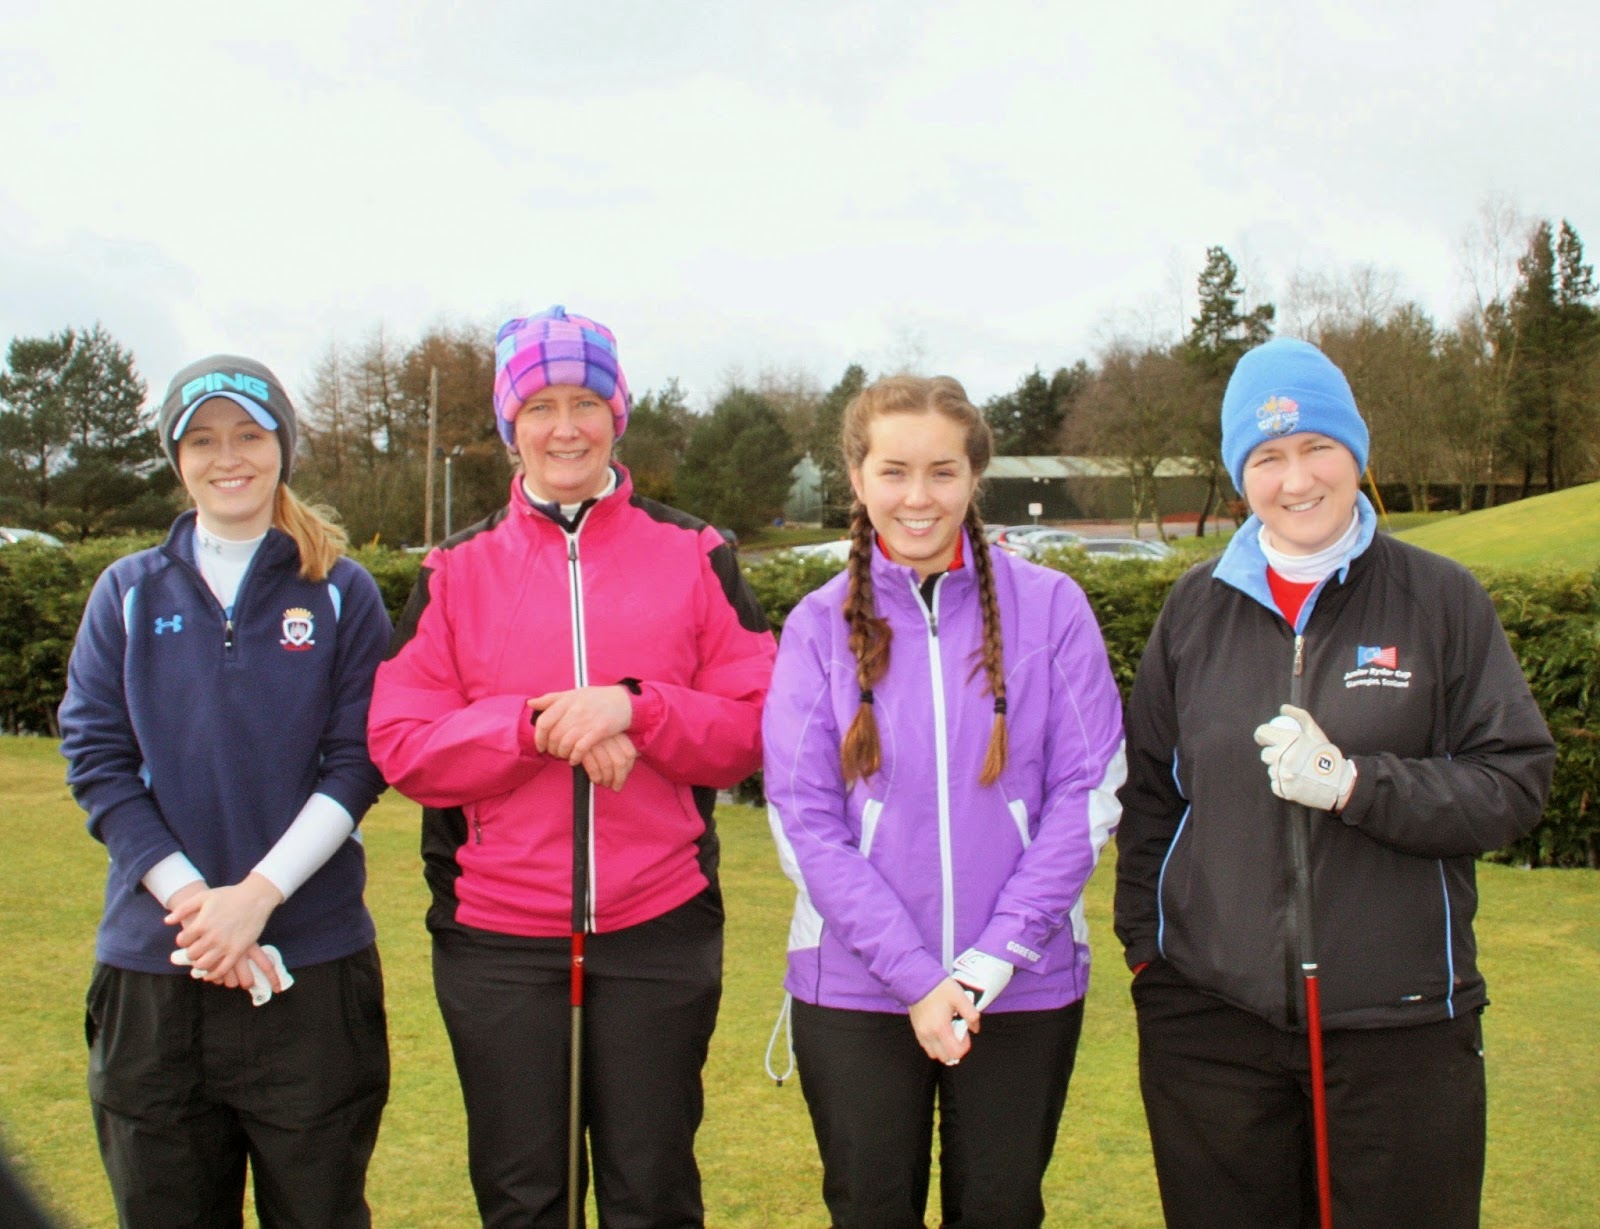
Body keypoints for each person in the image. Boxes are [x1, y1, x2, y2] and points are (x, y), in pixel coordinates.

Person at [1114, 337, 1556, 1229]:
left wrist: (1356, 784)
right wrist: (1150, 959)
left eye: (1317, 446)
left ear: (1356, 452)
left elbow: (1514, 779)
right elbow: (1151, 797)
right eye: (1268, 457)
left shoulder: (1440, 598)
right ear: (1243, 476)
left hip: (1401, 1027)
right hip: (1213, 1025)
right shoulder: (1194, 610)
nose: (1297, 478)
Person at [367, 306, 776, 1227]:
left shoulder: (696, 551)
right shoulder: (454, 568)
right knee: (525, 1198)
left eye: (586, 401)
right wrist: (536, 724)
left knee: (654, 1190)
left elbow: (760, 724)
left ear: (617, 414)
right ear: (510, 424)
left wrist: (638, 706)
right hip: (500, 939)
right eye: (540, 404)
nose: (565, 427)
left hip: (658, 929)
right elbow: (401, 742)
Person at [763, 374, 1126, 1228]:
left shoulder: (1052, 608)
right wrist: (920, 980)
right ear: (857, 478)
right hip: (857, 991)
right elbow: (804, 821)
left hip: (1021, 987)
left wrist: (992, 958)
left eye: (942, 472)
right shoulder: (818, 625)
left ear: (974, 478)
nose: (917, 498)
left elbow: (1088, 792)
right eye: (893, 471)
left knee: (1001, 1209)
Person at [58, 355, 393, 1228]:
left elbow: (356, 764)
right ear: (177, 457)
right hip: (156, 973)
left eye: (248, 434)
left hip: (309, 971)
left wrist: (258, 898)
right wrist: (202, 907)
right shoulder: (126, 592)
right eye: (202, 439)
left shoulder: (343, 593)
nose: (228, 456)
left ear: (283, 444)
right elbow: (96, 758)